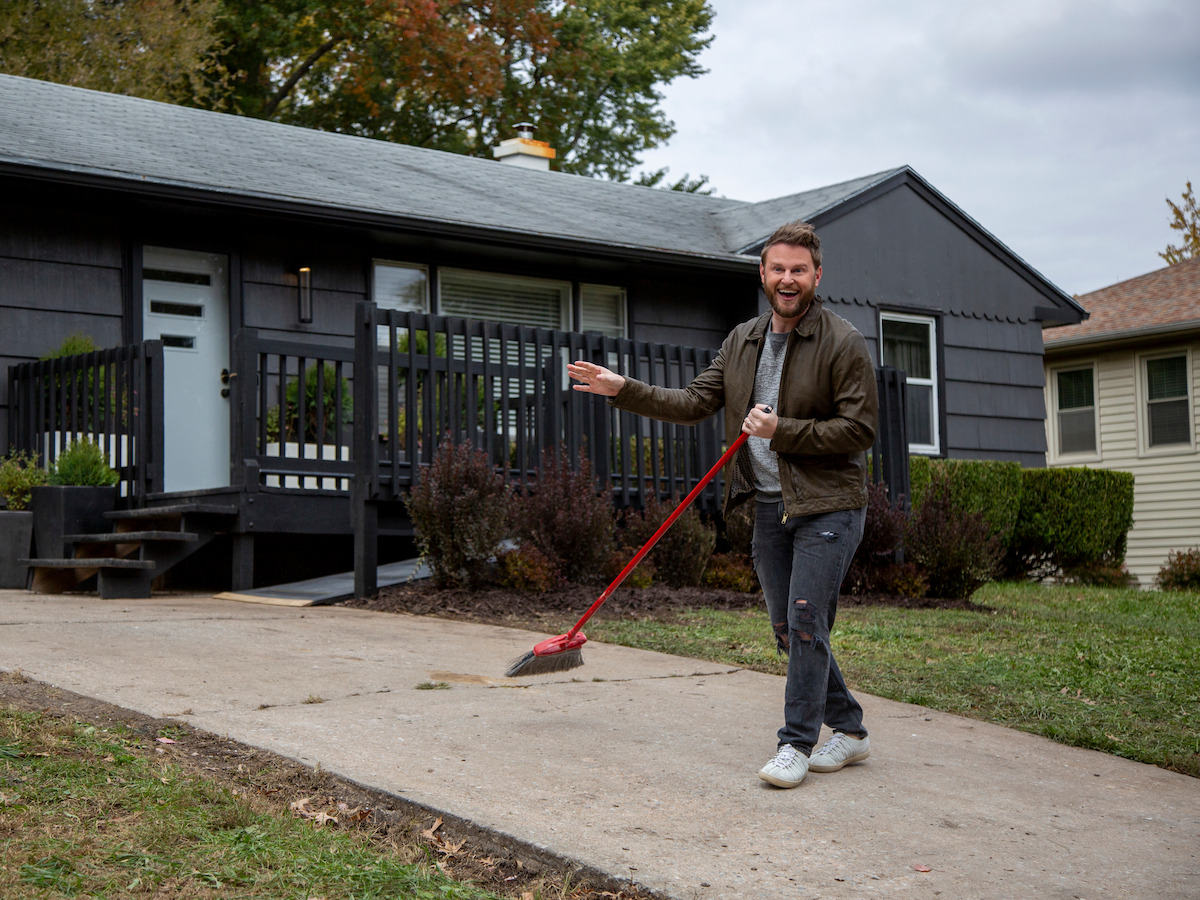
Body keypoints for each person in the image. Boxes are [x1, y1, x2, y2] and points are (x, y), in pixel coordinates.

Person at [567, 220, 879, 788]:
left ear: (817, 276)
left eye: (799, 270)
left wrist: (780, 429)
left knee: (807, 620)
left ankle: (795, 745)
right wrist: (623, 388)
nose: (788, 279)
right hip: (766, 505)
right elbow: (693, 402)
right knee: (789, 628)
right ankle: (851, 729)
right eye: (778, 269)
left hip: (828, 505)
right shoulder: (742, 340)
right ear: (763, 274)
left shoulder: (843, 341)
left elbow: (857, 430)